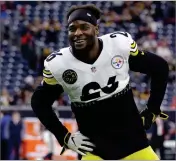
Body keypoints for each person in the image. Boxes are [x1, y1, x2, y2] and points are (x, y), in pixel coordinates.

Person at [31, 4, 169, 160]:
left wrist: (153, 108)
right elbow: (39, 102)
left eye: (84, 27)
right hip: (95, 152)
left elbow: (160, 67)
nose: (78, 33)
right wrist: (64, 136)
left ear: (96, 29)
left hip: (135, 145)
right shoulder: (59, 64)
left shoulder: (118, 45)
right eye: (72, 29)